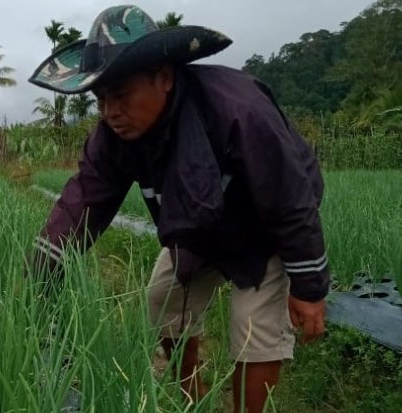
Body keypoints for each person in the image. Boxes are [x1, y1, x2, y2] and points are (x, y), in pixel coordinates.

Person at [26, 5, 330, 413]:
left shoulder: (237, 110)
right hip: (196, 226)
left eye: (121, 95)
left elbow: (289, 197)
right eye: (101, 99)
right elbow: (81, 204)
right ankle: (193, 397)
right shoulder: (114, 139)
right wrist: (33, 285)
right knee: (161, 303)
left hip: (262, 229)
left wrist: (309, 287)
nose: (110, 112)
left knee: (254, 332)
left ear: (164, 77)